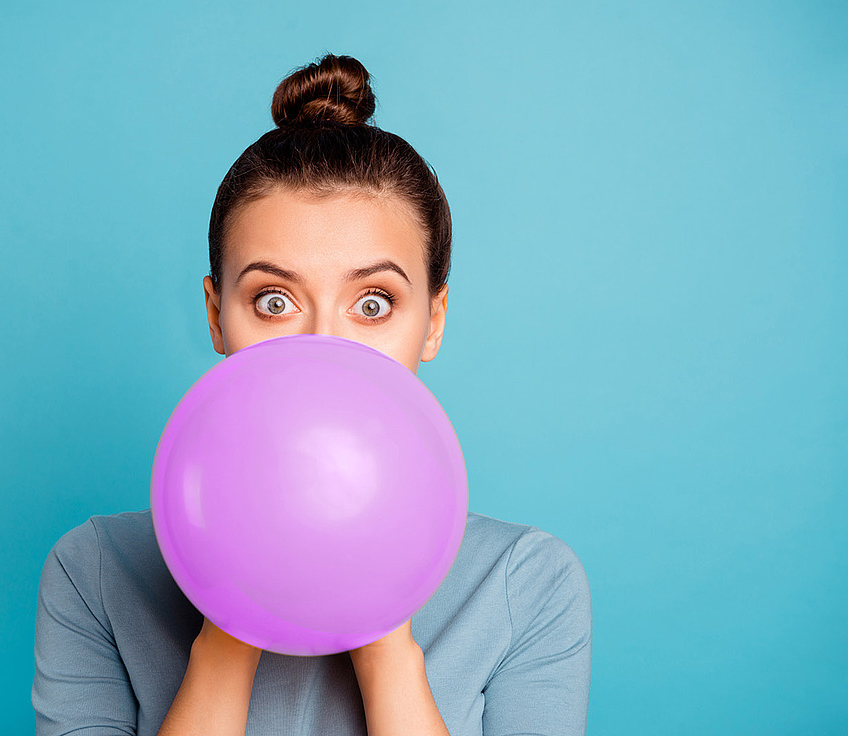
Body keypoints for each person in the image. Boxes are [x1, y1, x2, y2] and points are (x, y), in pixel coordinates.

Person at [33, 53, 591, 736]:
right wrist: (230, 613)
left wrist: (387, 633)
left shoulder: (526, 583)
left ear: (433, 321)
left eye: (374, 303)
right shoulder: (95, 572)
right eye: (274, 301)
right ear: (216, 316)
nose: (322, 350)